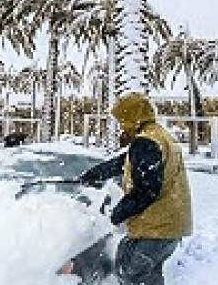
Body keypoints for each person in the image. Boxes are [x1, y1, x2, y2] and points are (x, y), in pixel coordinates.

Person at [78, 92, 192, 285]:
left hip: (157, 228)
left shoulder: (146, 142)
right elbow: (124, 163)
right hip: (167, 226)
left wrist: (115, 215)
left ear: (132, 118)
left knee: (131, 275)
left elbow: (146, 190)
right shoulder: (157, 136)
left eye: (123, 120)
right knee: (144, 274)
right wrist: (93, 175)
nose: (122, 126)